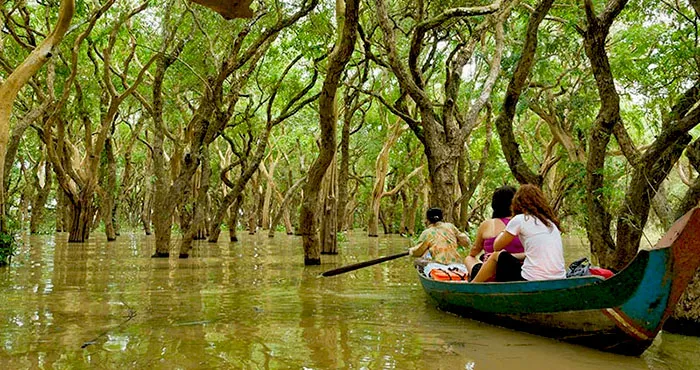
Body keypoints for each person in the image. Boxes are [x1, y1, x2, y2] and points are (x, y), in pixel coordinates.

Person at [471, 184, 566, 282]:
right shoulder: (550, 223)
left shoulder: (520, 219)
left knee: (497, 255)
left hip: (530, 279)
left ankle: (473, 285)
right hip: (560, 277)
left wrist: (504, 229)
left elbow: (496, 246)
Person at [465, 185, 523, 281]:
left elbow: (474, 251)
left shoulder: (487, 224)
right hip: (519, 272)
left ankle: (476, 282)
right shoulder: (524, 222)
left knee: (469, 258)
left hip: (491, 275)